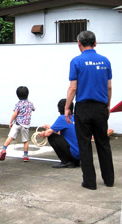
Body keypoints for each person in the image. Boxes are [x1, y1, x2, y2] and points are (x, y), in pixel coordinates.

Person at [65, 30, 114, 190]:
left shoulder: (76, 61)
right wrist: (107, 105)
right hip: (100, 107)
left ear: (79, 43)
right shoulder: (105, 61)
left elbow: (73, 88)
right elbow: (109, 86)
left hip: (84, 108)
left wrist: (67, 107)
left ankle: (90, 182)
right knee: (103, 143)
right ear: (95, 43)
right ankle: (109, 180)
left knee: (85, 144)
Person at [38, 99, 80, 168]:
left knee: (52, 137)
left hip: (74, 153)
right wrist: (51, 127)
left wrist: (43, 133)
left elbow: (48, 133)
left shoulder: (62, 118)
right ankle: (75, 161)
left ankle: (66, 161)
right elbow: (65, 132)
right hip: (81, 154)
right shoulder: (75, 118)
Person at [0, 86, 35, 162]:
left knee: (10, 136)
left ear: (17, 96)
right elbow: (34, 109)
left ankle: (4, 149)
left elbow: (15, 114)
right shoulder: (30, 103)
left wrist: (10, 122)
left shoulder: (18, 104)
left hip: (17, 123)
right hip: (25, 125)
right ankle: (25, 156)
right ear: (27, 94)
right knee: (25, 140)